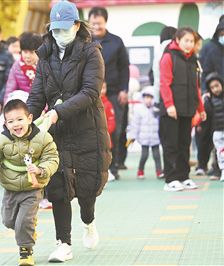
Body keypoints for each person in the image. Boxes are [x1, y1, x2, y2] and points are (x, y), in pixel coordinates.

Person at [27, 1, 111, 262]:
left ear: (76, 26)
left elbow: (90, 92)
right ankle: (63, 243)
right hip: (56, 131)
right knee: (58, 187)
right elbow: (37, 94)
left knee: (88, 187)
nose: (59, 34)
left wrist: (57, 112)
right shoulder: (45, 55)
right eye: (55, 29)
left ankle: (89, 221)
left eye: (65, 28)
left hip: (88, 127)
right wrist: (26, 118)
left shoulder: (91, 52)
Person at [0, 99, 59, 266]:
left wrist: (41, 169)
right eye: (11, 121)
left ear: (29, 118)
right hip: (11, 188)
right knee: (9, 221)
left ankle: (26, 252)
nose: (16, 124)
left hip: (33, 187)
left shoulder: (42, 137)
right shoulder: (1, 140)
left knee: (24, 221)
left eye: (20, 119)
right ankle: (28, 230)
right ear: (6, 124)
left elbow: (51, 157)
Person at [159, 27, 206, 192]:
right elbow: (164, 83)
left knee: (184, 144)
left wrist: (200, 108)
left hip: (187, 109)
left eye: (192, 41)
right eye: (186, 40)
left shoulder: (193, 60)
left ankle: (184, 177)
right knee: (171, 145)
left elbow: (197, 87)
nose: (189, 44)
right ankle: (170, 179)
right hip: (171, 111)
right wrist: (169, 105)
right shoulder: (168, 57)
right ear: (177, 41)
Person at [88, 6, 129, 177]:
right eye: (93, 24)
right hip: (89, 92)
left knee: (115, 129)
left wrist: (124, 90)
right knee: (91, 130)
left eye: (99, 23)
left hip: (113, 92)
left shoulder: (116, 41)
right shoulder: (84, 41)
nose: (96, 27)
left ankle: (114, 166)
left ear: (105, 22)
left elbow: (124, 67)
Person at [126, 86, 163, 179]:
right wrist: (132, 137)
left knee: (157, 156)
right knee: (144, 156)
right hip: (144, 138)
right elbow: (135, 124)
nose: (148, 100)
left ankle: (159, 171)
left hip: (155, 138)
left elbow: (161, 123)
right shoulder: (139, 109)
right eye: (146, 97)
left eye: (151, 97)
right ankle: (140, 170)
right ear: (143, 98)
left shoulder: (157, 109)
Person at [3, 32, 43, 103]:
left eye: (31, 52)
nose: (28, 56)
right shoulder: (17, 66)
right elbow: (10, 89)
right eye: (25, 52)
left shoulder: (44, 66)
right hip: (21, 104)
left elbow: (48, 92)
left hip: (40, 104)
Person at [204, 73, 224, 181]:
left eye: (217, 86)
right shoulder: (209, 100)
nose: (215, 89)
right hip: (217, 130)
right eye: (212, 87)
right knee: (218, 152)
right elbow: (208, 116)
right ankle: (218, 171)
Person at [200, 19, 224, 92]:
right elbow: (205, 72)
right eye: (222, 34)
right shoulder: (210, 49)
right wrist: (205, 91)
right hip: (215, 92)